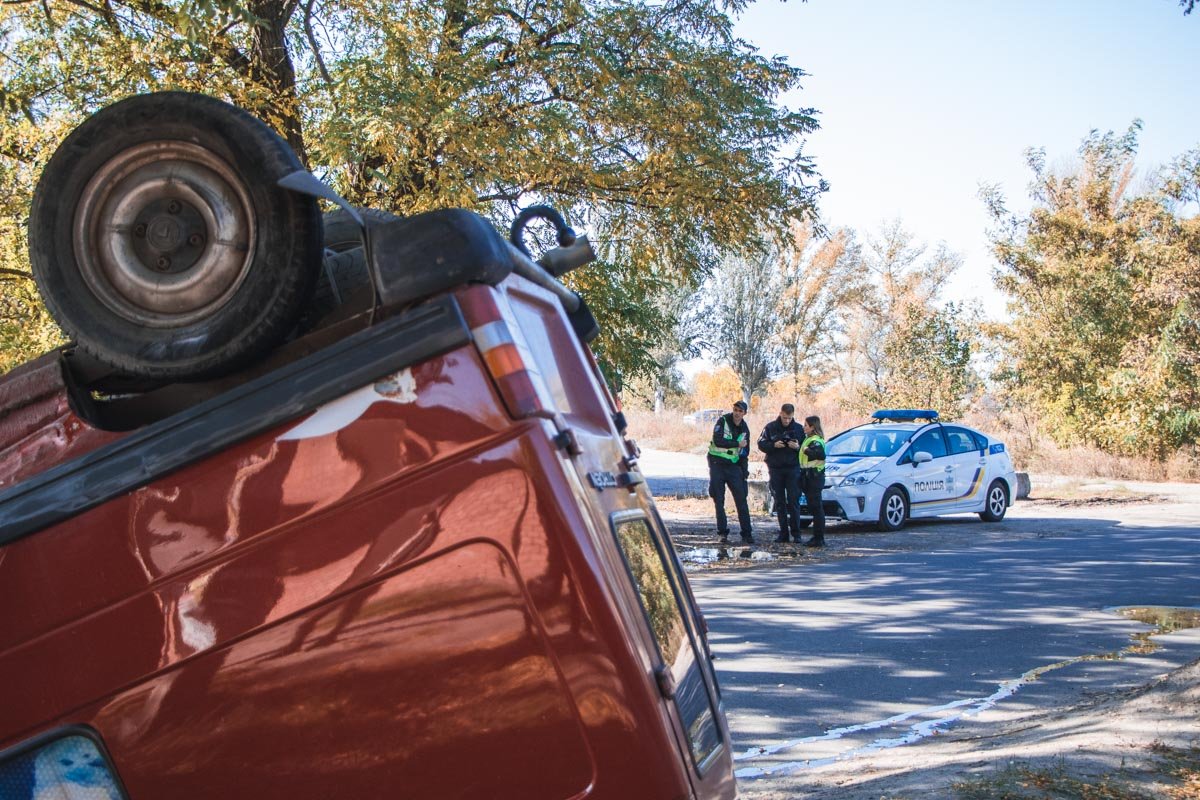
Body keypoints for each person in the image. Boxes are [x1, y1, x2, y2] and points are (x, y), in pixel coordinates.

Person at [708, 400, 753, 544]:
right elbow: (718, 440)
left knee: (741, 500)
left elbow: (744, 453)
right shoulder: (723, 421)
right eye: (735, 410)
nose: (737, 413)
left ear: (744, 413)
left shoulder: (744, 429)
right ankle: (722, 533)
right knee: (718, 500)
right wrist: (736, 443)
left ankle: (747, 533)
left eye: (740, 411)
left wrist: (744, 473)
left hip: (733, 466)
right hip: (717, 464)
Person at [758, 403, 803, 542]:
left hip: (793, 468)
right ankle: (783, 533)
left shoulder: (798, 428)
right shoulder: (770, 427)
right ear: (780, 414)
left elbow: (806, 447)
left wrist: (798, 447)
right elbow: (761, 444)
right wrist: (773, 445)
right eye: (784, 418)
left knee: (794, 501)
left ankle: (796, 534)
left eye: (789, 418)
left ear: (793, 416)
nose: (787, 421)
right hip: (776, 468)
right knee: (779, 501)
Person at [798, 415, 827, 547]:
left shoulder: (815, 440)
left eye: (806, 425)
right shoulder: (808, 439)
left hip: (814, 477)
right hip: (808, 476)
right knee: (813, 507)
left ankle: (819, 538)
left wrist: (805, 449)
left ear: (812, 427)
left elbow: (819, 455)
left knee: (817, 508)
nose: (804, 427)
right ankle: (816, 537)